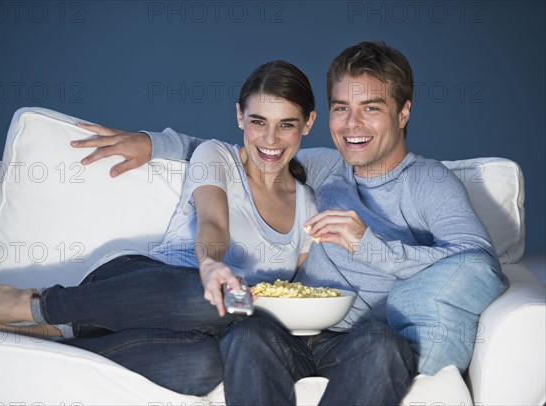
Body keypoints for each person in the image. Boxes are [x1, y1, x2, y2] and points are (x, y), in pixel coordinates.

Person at [49, 41, 509, 404]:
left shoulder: (429, 182)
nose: (352, 125)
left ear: (403, 112)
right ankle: (48, 316)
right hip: (283, 328)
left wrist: (368, 243)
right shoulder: (327, 166)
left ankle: (46, 316)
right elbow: (252, 148)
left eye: (371, 107)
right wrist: (155, 143)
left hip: (356, 336)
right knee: (244, 332)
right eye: (341, 108)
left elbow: (476, 263)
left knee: (386, 348)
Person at [0, 60, 320, 396]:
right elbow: (213, 220)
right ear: (240, 117)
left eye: (286, 125)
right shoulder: (216, 155)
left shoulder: (308, 204)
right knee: (218, 300)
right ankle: (34, 304)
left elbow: (302, 291)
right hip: (149, 283)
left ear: (308, 124)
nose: (270, 140)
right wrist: (209, 265)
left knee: (206, 363)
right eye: (258, 122)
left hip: (210, 327)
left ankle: (36, 337)